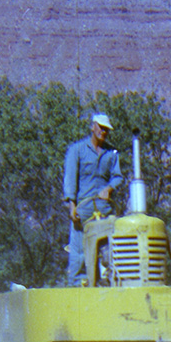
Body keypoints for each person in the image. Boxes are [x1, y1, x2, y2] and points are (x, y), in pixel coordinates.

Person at [63, 113, 123, 285]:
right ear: (93, 127)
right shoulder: (77, 150)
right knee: (80, 252)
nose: (103, 132)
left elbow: (118, 177)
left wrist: (109, 188)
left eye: (106, 129)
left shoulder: (112, 153)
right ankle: (79, 289)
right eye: (101, 127)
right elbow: (70, 179)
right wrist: (72, 206)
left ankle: (108, 284)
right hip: (84, 209)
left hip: (104, 210)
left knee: (109, 252)